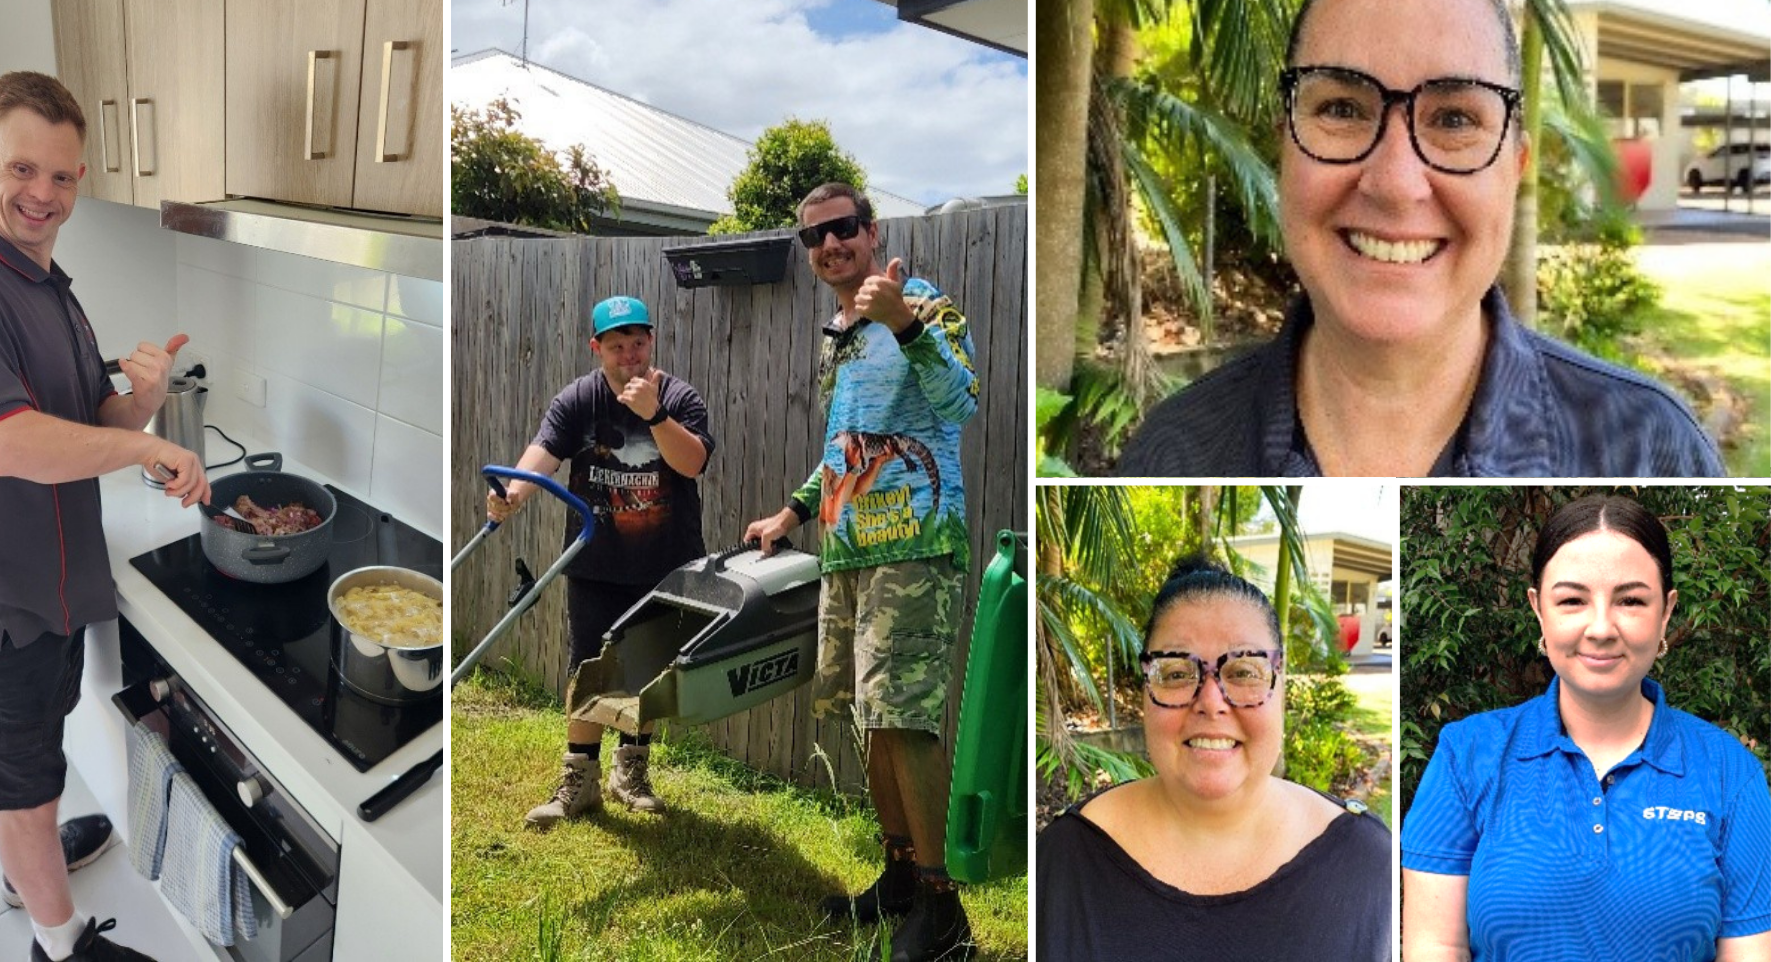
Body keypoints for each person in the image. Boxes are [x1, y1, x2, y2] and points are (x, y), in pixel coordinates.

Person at [1117, 0, 1722, 477]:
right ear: (1284, 145)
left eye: (1455, 118)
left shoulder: (1650, 450)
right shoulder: (1173, 450)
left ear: (1516, 166)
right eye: (1343, 109)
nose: (1396, 182)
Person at [0, 72, 210, 962]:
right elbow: (10, 446)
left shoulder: (48, 286)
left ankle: (22, 866)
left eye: (64, 177)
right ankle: (59, 942)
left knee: (30, 765)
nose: (44, 195)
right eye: (23, 169)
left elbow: (82, 426)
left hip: (56, 587)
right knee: (24, 791)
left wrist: (141, 403)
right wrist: (150, 451)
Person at [745, 181, 979, 962]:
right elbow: (844, 447)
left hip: (914, 545)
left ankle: (946, 914)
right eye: (813, 237)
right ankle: (902, 876)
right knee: (867, 716)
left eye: (842, 229)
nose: (829, 246)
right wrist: (792, 512)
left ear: (872, 232)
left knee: (906, 719)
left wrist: (903, 322)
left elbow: (962, 400)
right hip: (849, 552)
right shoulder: (836, 333)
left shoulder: (925, 306)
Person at [1402, 494, 1771, 961]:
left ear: (1667, 612)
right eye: (1573, 600)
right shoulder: (1466, 756)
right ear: (1539, 609)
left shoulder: (1729, 773)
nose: (1600, 627)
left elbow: (1749, 951)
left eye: (1631, 600)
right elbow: (1435, 946)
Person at [1036, 557, 1393, 961]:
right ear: (1144, 692)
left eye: (1243, 672)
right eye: (1176, 673)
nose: (1210, 702)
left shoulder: (1366, 865)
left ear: (1282, 689)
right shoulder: (1062, 864)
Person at [488, 294, 714, 829]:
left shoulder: (678, 398)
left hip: (666, 562)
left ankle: (630, 772)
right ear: (597, 348)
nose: (631, 356)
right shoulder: (578, 400)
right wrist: (511, 494)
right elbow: (541, 454)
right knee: (587, 668)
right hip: (595, 559)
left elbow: (693, 462)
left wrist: (653, 414)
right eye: (617, 346)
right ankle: (580, 779)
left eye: (639, 343)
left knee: (651, 670)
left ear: (651, 341)